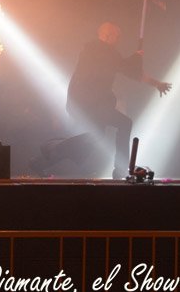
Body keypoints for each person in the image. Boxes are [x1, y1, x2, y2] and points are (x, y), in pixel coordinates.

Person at [61, 22, 171, 179]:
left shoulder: (100, 51)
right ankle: (120, 169)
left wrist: (155, 82)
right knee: (124, 124)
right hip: (88, 103)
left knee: (97, 136)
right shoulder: (98, 50)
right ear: (107, 35)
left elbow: (129, 70)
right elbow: (126, 68)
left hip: (87, 103)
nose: (118, 40)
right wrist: (136, 58)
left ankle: (50, 154)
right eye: (116, 36)